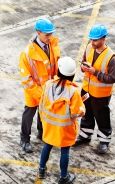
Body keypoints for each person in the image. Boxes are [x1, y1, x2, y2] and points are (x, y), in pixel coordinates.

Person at [37, 56, 85, 184]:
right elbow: (76, 113)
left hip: (49, 125)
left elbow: (41, 104)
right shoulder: (73, 91)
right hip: (65, 128)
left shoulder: (48, 85)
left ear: (58, 71)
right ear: (72, 74)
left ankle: (41, 169)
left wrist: (43, 121)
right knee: (65, 151)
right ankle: (64, 177)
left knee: (47, 146)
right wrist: (82, 108)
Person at [74, 24, 115, 154]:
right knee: (86, 114)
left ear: (104, 39)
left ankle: (104, 140)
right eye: (91, 39)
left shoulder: (111, 58)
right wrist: (83, 68)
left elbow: (112, 78)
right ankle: (85, 135)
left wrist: (94, 72)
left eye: (95, 40)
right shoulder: (89, 47)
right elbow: (83, 61)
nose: (92, 42)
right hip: (86, 90)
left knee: (102, 117)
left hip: (101, 95)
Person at [18, 18, 61, 153]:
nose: (50, 37)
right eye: (47, 35)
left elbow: (55, 65)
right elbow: (26, 80)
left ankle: (41, 132)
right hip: (34, 91)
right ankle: (24, 139)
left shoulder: (52, 45)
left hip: (48, 88)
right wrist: (40, 94)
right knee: (29, 113)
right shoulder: (27, 54)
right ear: (38, 32)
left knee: (44, 112)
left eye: (51, 34)